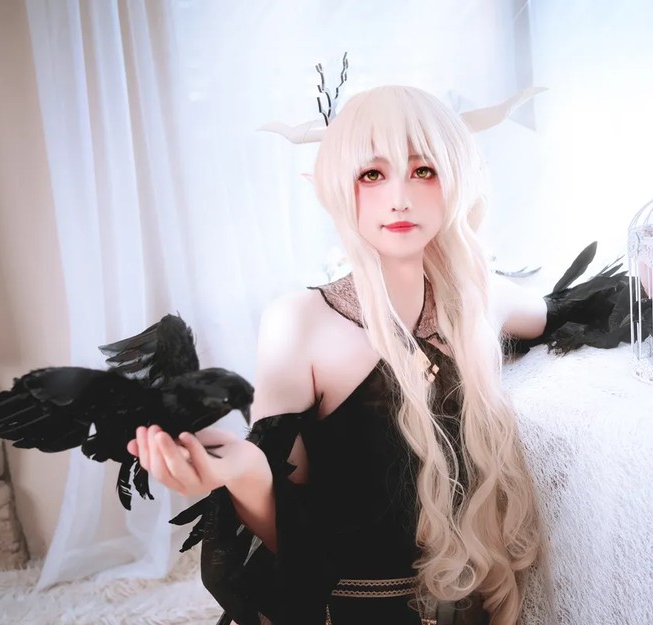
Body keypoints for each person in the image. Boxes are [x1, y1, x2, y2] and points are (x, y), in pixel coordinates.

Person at [127, 85, 554, 625]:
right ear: (334, 187)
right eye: (372, 174)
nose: (399, 197)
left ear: (457, 178)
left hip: (470, 604)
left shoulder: (481, 299)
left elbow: (563, 311)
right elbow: (294, 531)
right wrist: (244, 473)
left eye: (423, 171)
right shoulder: (299, 322)